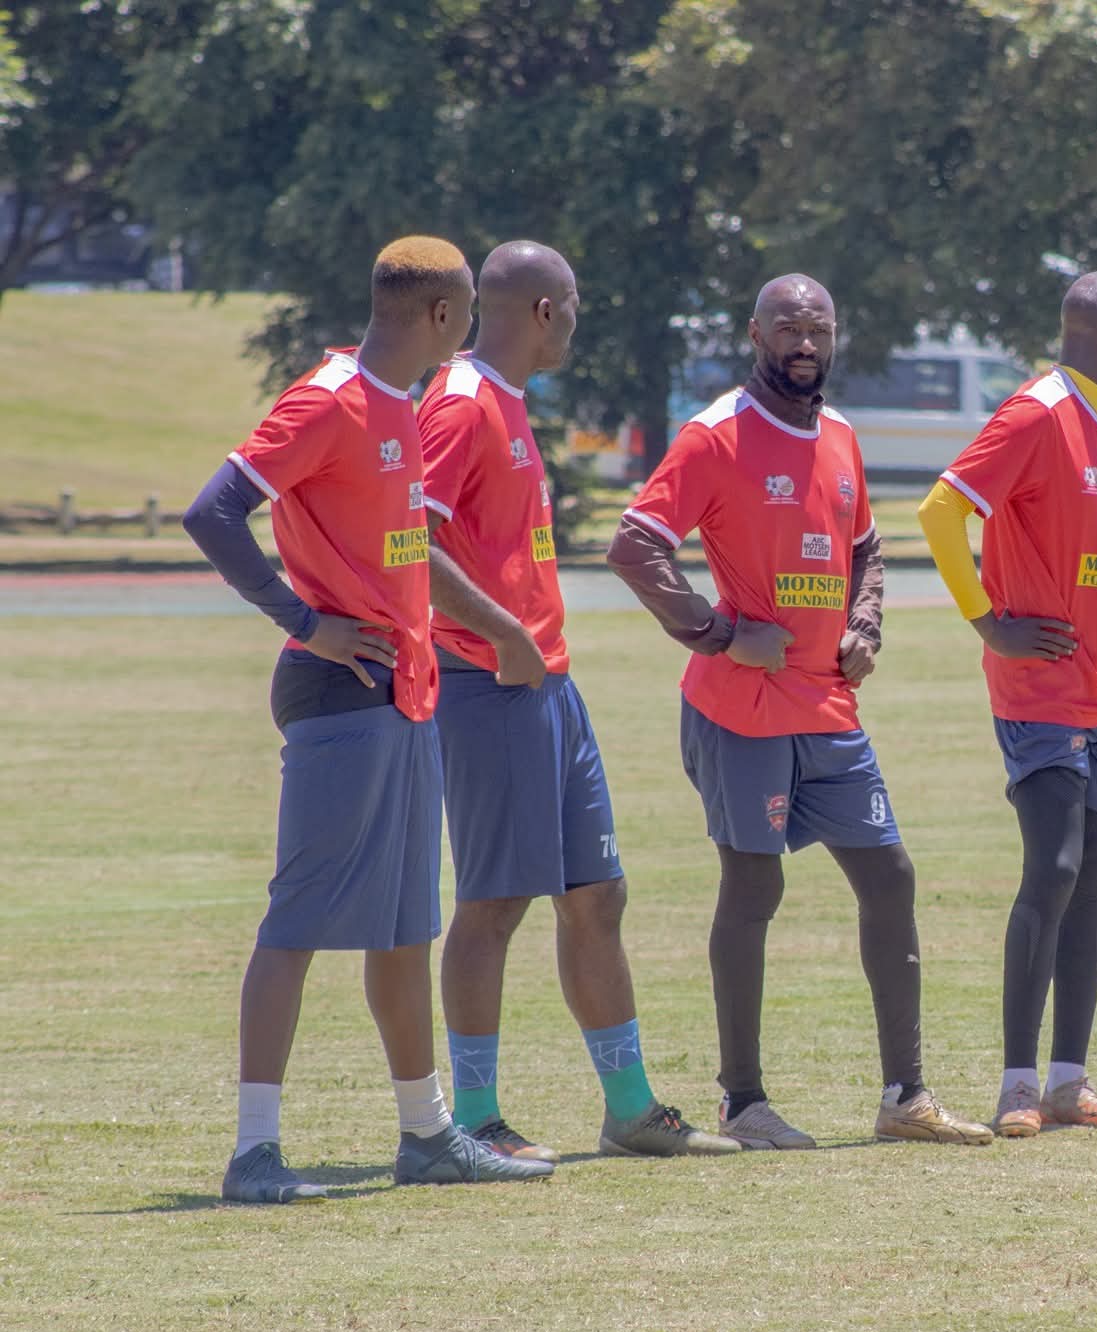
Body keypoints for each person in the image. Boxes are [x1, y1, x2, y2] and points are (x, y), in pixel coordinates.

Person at [182, 237, 555, 1201]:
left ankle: (427, 1133)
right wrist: (307, 621)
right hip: (338, 692)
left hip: (408, 692)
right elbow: (214, 512)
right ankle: (254, 1152)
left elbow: (405, 547)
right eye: (469, 307)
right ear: (439, 315)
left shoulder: (403, 406)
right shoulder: (329, 396)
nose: (473, 325)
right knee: (297, 924)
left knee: (402, 929)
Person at [606, 273, 991, 1149]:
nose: (804, 340)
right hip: (738, 710)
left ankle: (906, 1097)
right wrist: (714, 633)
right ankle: (743, 1103)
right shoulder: (714, 435)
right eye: (787, 325)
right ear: (755, 333)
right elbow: (635, 546)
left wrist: (866, 622)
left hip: (827, 706)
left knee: (888, 875)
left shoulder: (843, 436)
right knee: (756, 884)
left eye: (818, 325)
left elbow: (866, 547)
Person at [418, 240, 738, 1162]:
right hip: (490, 684)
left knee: (597, 897)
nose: (579, 319)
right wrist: (507, 638)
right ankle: (471, 1120)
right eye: (575, 303)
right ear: (546, 311)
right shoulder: (463, 401)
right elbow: (412, 542)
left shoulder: (510, 405)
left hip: (550, 687)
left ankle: (630, 1109)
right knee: (494, 903)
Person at [917, 270, 1097, 1139]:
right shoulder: (1034, 410)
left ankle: (1067, 1083)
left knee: (1091, 879)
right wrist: (989, 622)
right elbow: (941, 513)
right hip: (1041, 689)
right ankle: (1018, 1084)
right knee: (1051, 870)